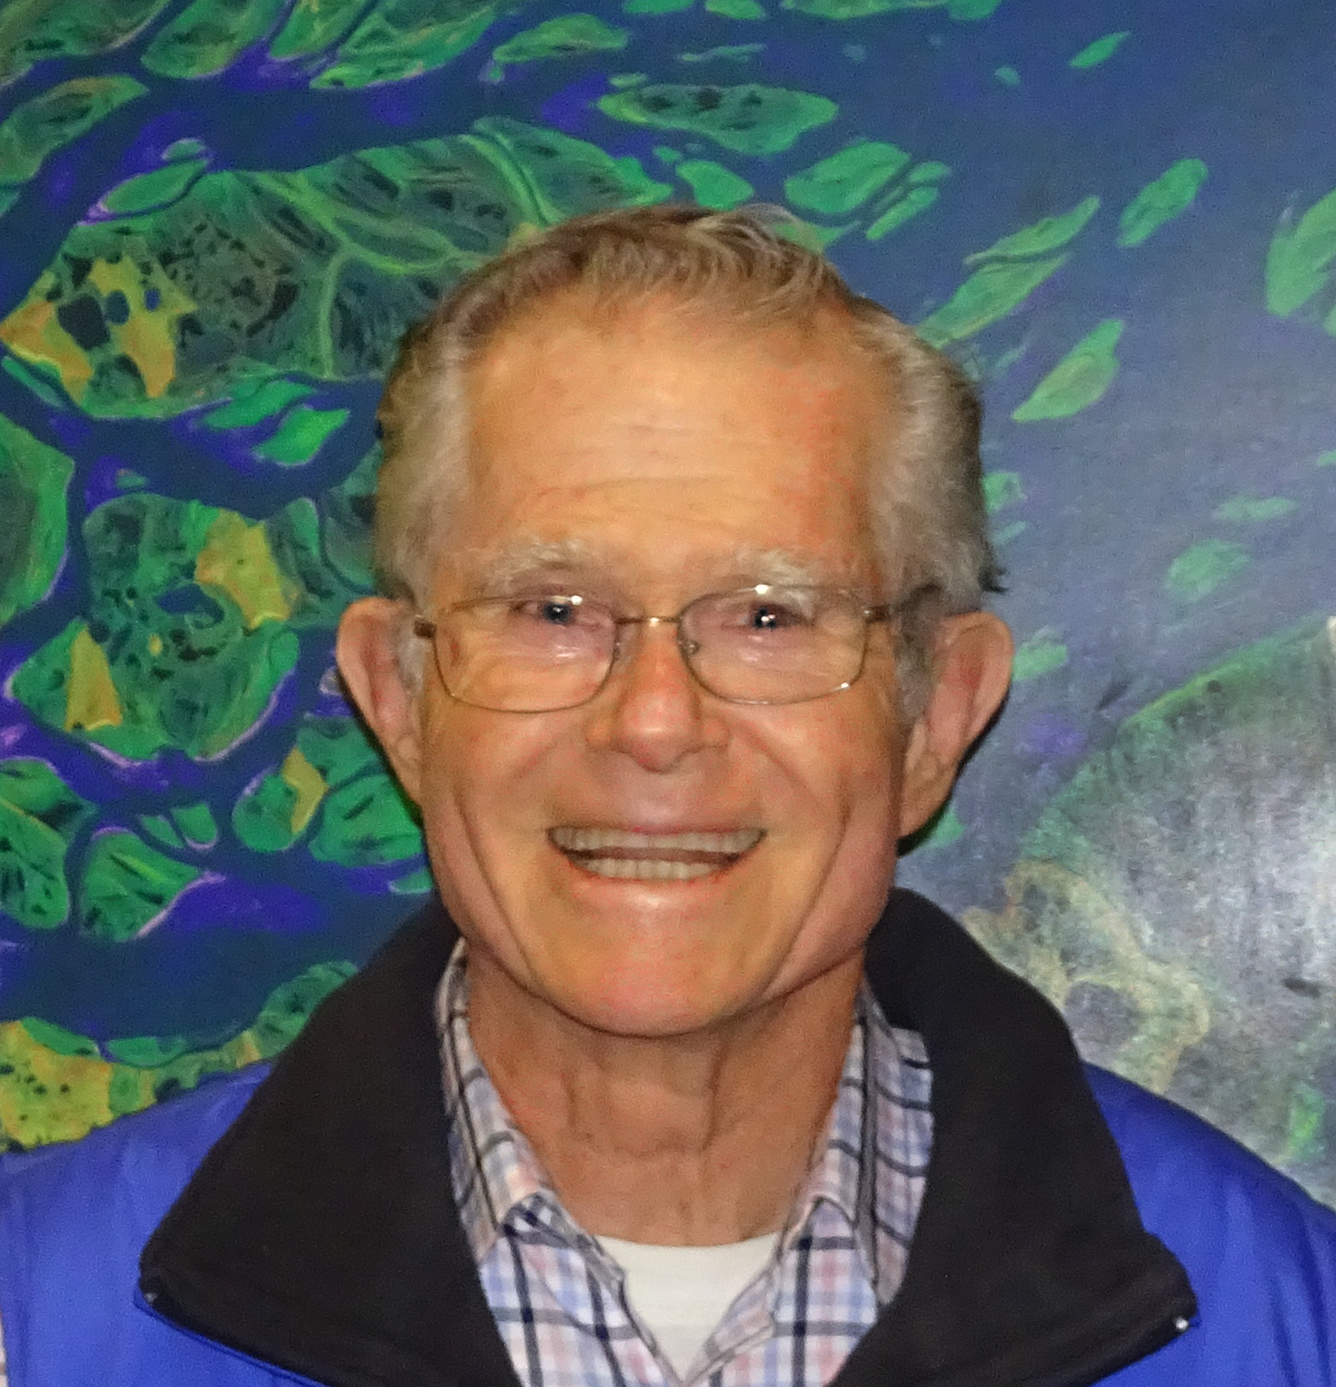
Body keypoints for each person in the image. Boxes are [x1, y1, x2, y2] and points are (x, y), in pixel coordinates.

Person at [1, 204, 1333, 1387]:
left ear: (936, 716)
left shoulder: (1290, 1325)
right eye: (552, 609)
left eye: (768, 615)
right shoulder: (36, 1315)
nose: (652, 722)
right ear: (400, 700)